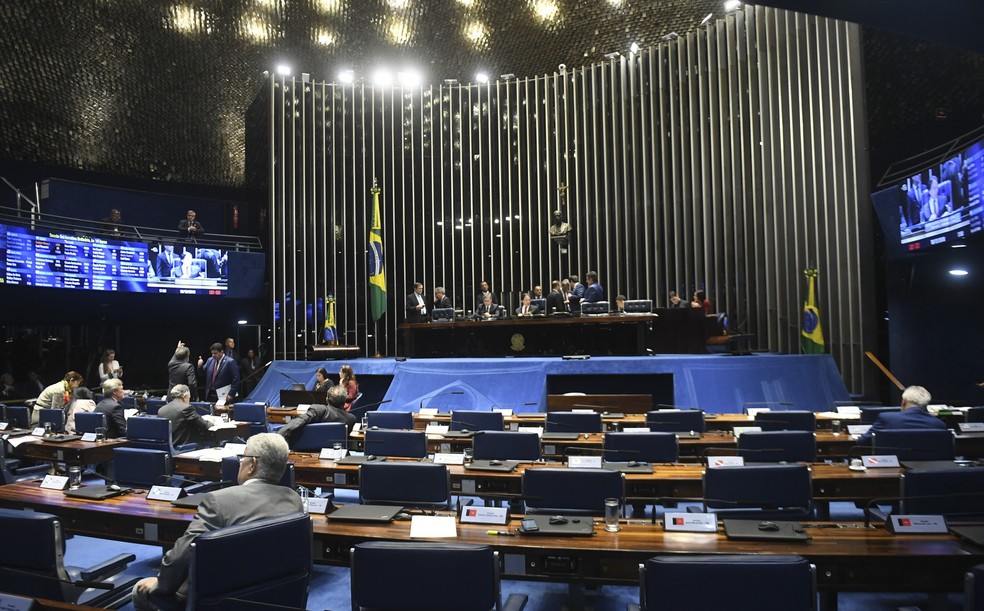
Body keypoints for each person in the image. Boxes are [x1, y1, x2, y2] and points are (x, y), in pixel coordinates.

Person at [132, 433, 304, 610]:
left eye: (242, 458)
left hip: (220, 601)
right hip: (275, 597)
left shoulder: (218, 501)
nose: (240, 463)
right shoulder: (294, 500)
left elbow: (181, 555)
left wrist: (160, 585)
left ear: (252, 464)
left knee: (140, 589)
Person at [857, 385, 947, 446]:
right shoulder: (939, 424)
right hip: (928, 470)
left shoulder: (886, 418)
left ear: (904, 401)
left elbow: (863, 441)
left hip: (892, 468)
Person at [277, 385, 357, 443]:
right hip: (338, 453)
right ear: (344, 401)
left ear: (327, 399)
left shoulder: (318, 410)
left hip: (308, 452)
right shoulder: (351, 419)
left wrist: (277, 437)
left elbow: (298, 422)